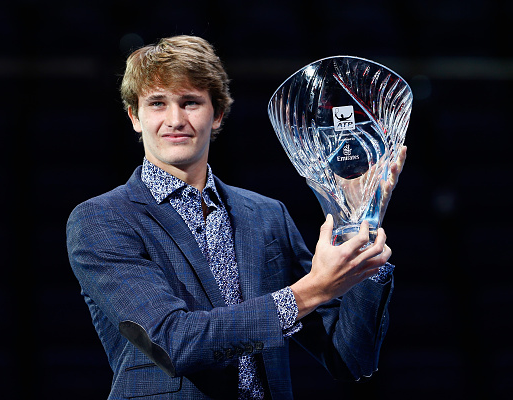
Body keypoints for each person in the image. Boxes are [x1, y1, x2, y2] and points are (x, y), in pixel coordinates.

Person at [66, 35, 406, 399]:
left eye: (191, 102)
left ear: (218, 114)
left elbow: (350, 360)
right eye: (158, 103)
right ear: (135, 116)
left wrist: (358, 221)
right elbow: (173, 342)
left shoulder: (265, 215)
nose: (175, 119)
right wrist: (312, 290)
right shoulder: (103, 219)